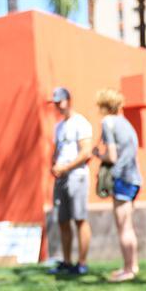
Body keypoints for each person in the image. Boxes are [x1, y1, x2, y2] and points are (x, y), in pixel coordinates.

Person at [94, 88, 142, 282]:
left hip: (122, 178)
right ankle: (132, 265)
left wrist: (98, 155)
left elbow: (112, 156)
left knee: (123, 227)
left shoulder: (108, 122)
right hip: (135, 179)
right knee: (128, 226)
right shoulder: (125, 122)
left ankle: (128, 270)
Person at [48, 87, 93, 276]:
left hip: (77, 176)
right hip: (61, 179)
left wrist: (65, 167)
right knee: (63, 220)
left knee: (80, 219)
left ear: (68, 100)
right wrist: (55, 166)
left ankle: (81, 263)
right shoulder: (58, 126)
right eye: (55, 102)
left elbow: (86, 152)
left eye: (60, 101)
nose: (58, 105)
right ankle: (67, 262)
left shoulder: (80, 123)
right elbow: (56, 151)